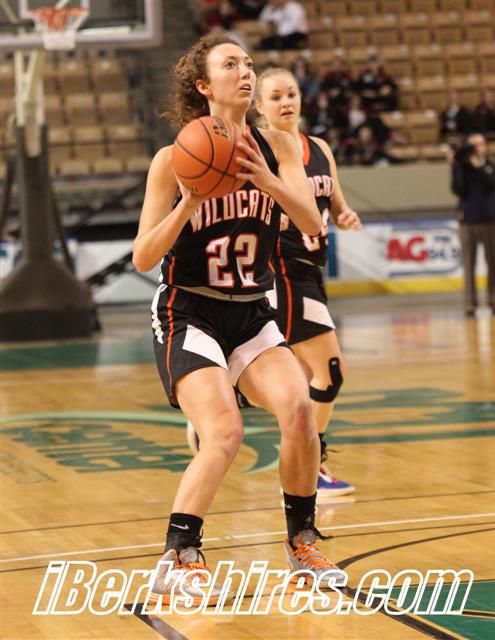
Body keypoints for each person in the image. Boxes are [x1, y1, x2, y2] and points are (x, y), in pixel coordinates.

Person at [132, 34, 345, 604]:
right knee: (225, 432)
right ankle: (178, 556)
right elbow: (144, 256)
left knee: (299, 409)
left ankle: (302, 542)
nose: (245, 72)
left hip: (251, 308)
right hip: (188, 310)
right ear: (205, 85)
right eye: (231, 64)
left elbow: (311, 223)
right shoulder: (173, 159)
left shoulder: (278, 145)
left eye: (249, 63)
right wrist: (188, 203)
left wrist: (266, 180)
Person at [256, 67, 362, 500]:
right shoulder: (260, 151)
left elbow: (335, 203)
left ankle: (224, 406)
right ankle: (313, 467)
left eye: (291, 94)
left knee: (300, 386)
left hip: (313, 271)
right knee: (330, 372)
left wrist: (345, 216)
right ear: (259, 107)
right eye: (275, 97)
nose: (286, 103)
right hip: (282, 269)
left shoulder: (318, 148)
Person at [450, 133, 495, 317]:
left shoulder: (491, 166)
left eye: (480, 144)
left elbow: (492, 182)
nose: (477, 148)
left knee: (492, 262)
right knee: (468, 263)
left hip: (489, 220)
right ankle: (470, 303)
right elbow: (457, 189)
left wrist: (478, 166)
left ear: (485, 146)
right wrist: (458, 165)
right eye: (473, 145)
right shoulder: (461, 167)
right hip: (468, 221)